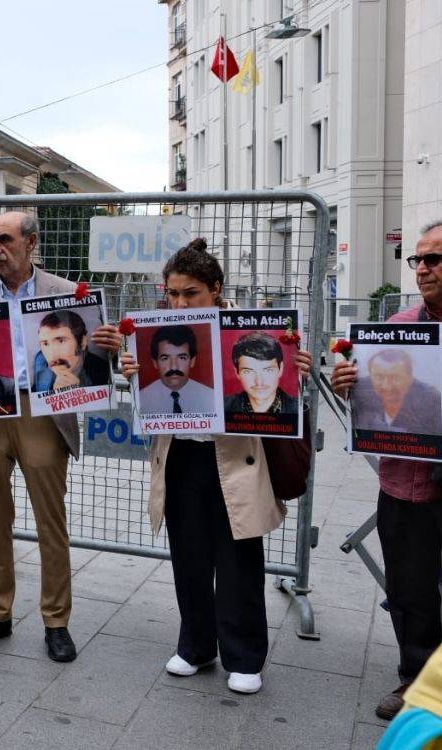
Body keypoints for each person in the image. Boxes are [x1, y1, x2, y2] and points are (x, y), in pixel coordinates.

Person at [0, 211, 121, 662]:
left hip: (43, 412)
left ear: (30, 243)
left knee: (51, 522)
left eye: (5, 240)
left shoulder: (67, 293)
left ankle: (56, 621)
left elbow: (94, 361)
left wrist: (108, 345)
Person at [120, 237, 311, 695]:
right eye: (173, 293)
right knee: (188, 556)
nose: (180, 302)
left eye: (191, 293)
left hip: (234, 458)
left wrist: (294, 369)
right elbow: (148, 406)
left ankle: (244, 654)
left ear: (216, 288)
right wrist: (132, 374)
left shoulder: (249, 332)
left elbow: (275, 396)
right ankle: (196, 645)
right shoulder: (158, 332)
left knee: (238, 556)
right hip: (181, 454)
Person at [332, 219, 442, 719]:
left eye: (433, 259)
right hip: (404, 482)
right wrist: (350, 382)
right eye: (417, 260)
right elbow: (372, 401)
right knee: (408, 587)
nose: (423, 270)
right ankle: (415, 682)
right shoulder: (398, 327)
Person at [351, 349, 442, 434]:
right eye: (379, 377)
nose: (386, 386)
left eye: (395, 378)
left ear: (410, 378)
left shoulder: (430, 400)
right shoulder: (359, 388)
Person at [137, 325, 216, 414]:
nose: (174, 367)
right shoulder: (141, 400)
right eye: (165, 358)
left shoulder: (211, 398)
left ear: (192, 361)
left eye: (182, 357)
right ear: (155, 363)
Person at [32, 310, 111, 391]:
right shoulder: (40, 362)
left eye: (61, 341)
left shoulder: (103, 372)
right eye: (45, 344)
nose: (52, 355)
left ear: (82, 342)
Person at [223, 333, 297, 415]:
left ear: (280, 369)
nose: (259, 382)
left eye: (268, 370)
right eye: (248, 371)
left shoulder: (300, 409)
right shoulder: (222, 407)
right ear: (237, 372)